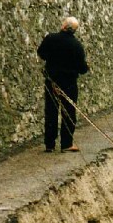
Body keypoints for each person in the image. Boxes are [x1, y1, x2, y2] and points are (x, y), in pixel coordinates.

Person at [37, 16, 89, 153]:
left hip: (51, 82)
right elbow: (82, 68)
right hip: (69, 84)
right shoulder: (77, 46)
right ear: (74, 31)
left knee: (51, 112)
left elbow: (41, 53)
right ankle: (66, 144)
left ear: (63, 26)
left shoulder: (50, 39)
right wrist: (86, 67)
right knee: (69, 113)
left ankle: (49, 144)